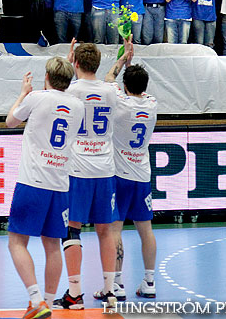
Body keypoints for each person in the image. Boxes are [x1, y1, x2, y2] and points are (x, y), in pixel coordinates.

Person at [52, 39, 133, 309]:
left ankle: (74, 293)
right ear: (97, 64)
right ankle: (110, 291)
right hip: (104, 168)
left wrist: (66, 60)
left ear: (75, 63)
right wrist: (122, 62)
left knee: (72, 230)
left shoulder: (71, 90)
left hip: (77, 169)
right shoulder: (110, 91)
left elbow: (51, 95)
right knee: (106, 231)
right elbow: (121, 99)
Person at [4, 57, 84, 317]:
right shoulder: (78, 105)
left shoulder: (37, 97)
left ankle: (36, 299)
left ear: (47, 77)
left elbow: (10, 122)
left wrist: (22, 94)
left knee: (17, 241)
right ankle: (47, 303)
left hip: (33, 182)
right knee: (52, 246)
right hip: (60, 184)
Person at [108, 60, 158, 300]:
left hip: (120, 175)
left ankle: (117, 283)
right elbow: (136, 88)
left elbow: (109, 80)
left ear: (125, 85)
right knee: (146, 230)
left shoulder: (121, 106)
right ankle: (149, 281)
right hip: (142, 175)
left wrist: (122, 61)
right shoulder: (152, 104)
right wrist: (131, 66)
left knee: (115, 228)